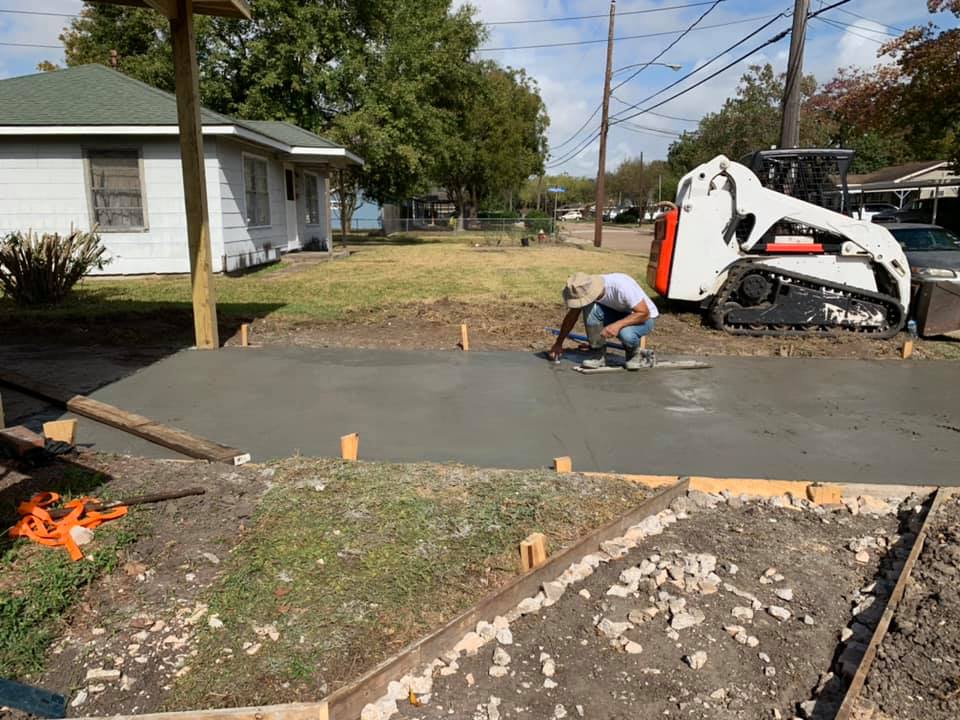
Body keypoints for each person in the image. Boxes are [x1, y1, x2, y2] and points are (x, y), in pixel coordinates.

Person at [548, 271, 658, 370]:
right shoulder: (583, 288)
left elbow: (644, 313)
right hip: (619, 312)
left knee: (626, 334)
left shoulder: (621, 287)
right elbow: (571, 317)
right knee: (590, 309)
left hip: (644, 318)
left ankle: (635, 354)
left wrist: (616, 326)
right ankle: (598, 355)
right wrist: (558, 343)